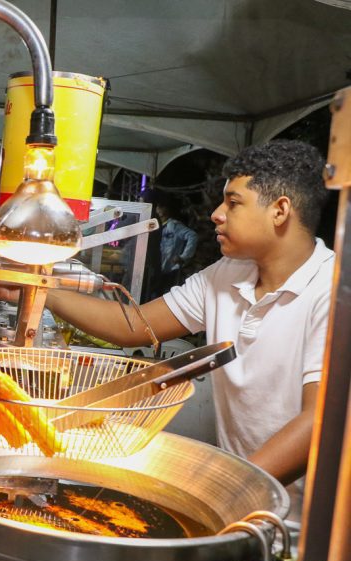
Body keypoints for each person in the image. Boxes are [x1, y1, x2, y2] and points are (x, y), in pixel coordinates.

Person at [38, 140, 333, 521]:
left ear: (280, 210)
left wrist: (217, 493)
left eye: (233, 202)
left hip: (298, 520)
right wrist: (39, 290)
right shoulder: (228, 274)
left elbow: (317, 422)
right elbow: (135, 325)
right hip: (235, 499)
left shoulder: (331, 291)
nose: (216, 214)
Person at [154, 198, 198, 295]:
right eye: (158, 207)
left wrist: (184, 256)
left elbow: (192, 236)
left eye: (161, 207)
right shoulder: (158, 226)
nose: (158, 209)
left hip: (170, 270)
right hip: (159, 268)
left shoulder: (173, 226)